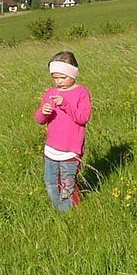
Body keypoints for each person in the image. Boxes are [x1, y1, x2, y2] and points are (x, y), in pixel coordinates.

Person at [34, 50, 92, 212]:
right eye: (55, 77)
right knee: (51, 183)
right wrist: (43, 112)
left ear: (73, 74)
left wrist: (66, 104)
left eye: (63, 77)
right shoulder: (50, 93)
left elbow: (83, 117)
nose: (58, 81)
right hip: (51, 149)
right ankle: (59, 209)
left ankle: (68, 214)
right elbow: (39, 120)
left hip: (70, 150)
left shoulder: (81, 92)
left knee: (67, 185)